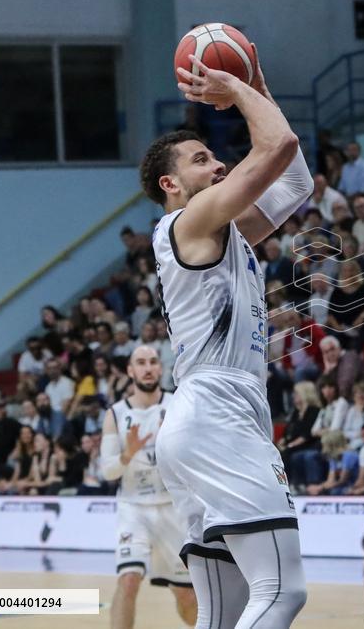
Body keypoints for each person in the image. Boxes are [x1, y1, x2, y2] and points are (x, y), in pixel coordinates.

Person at [145, 49, 312, 628]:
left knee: (227, 609)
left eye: (216, 156)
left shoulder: (229, 231)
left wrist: (256, 82)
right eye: (201, 158)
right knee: (281, 591)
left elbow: (295, 180)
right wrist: (235, 88)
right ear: (171, 183)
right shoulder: (185, 223)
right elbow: (278, 147)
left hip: (200, 420)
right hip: (217, 414)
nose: (217, 164)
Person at [100, 346, 197, 628]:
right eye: (140, 362)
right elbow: (108, 471)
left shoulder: (178, 404)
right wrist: (128, 454)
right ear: (130, 371)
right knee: (128, 581)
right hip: (134, 509)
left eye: (153, 362)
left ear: (160, 368)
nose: (147, 368)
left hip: (174, 509)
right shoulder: (116, 414)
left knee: (187, 595)